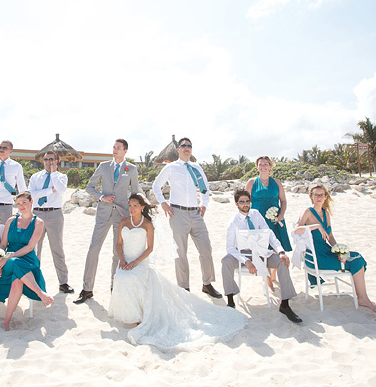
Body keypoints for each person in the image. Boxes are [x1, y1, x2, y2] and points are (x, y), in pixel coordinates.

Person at [108, 194, 248, 350]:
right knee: (121, 276)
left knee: (133, 277)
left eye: (135, 205)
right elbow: (119, 244)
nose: (132, 209)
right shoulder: (124, 222)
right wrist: (122, 260)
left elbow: (150, 248)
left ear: (142, 207)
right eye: (130, 206)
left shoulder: (147, 224)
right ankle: (129, 314)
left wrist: (135, 262)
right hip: (125, 260)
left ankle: (139, 317)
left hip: (140, 262)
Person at [151, 137, 222, 298]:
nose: (186, 148)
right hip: (178, 213)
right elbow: (156, 186)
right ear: (178, 150)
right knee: (181, 253)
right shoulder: (170, 167)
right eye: (183, 145)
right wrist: (163, 203)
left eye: (189, 146)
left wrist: (204, 205)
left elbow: (205, 188)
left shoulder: (196, 167)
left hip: (196, 214)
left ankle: (207, 284)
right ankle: (184, 287)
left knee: (206, 249)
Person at [296, 184, 376, 313]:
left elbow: (330, 236)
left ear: (325, 197)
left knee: (356, 256)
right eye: (316, 195)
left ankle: (362, 297)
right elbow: (296, 230)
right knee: (355, 261)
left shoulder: (325, 213)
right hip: (316, 256)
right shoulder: (307, 212)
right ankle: (363, 298)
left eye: (321, 195)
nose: (319, 197)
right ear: (311, 197)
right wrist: (316, 226)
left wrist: (338, 250)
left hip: (327, 251)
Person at [74, 139, 140, 305]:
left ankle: (114, 288)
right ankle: (87, 289)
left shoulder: (131, 169)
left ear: (125, 151)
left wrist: (135, 214)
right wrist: (101, 197)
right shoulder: (103, 166)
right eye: (114, 147)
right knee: (93, 249)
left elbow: (135, 193)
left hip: (122, 215)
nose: (115, 150)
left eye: (118, 148)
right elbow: (89, 187)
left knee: (117, 253)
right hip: (103, 214)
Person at [221, 189, 302, 323]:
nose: (245, 204)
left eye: (247, 201)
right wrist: (246, 261)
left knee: (282, 262)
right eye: (242, 202)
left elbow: (269, 233)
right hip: (243, 254)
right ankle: (230, 301)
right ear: (236, 204)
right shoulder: (233, 222)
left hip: (261, 252)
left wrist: (281, 251)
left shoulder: (256, 214)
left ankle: (285, 304)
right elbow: (230, 248)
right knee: (226, 261)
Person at [0, 192, 54, 330]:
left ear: (31, 202)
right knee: (15, 263)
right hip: (9, 261)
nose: (21, 206)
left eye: (24, 203)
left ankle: (6, 321)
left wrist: (10, 256)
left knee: (17, 280)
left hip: (27, 260)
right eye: (18, 203)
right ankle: (40, 292)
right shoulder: (11, 221)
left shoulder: (38, 222)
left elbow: (30, 247)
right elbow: (3, 244)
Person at [29, 151, 73, 294]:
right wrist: (50, 190)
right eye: (46, 159)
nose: (48, 162)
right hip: (37, 213)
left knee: (57, 249)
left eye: (51, 159)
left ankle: (63, 282)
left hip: (55, 214)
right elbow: (32, 195)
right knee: (35, 248)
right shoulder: (35, 177)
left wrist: (53, 174)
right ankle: (34, 281)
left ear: (56, 161)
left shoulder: (61, 177)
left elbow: (61, 190)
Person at [245, 156, 292, 252]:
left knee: (276, 249)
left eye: (265, 164)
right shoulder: (251, 182)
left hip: (274, 219)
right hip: (257, 219)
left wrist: (281, 215)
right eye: (260, 164)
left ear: (270, 166)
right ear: (257, 167)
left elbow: (283, 201)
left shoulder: (277, 182)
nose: (263, 167)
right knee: (258, 250)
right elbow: (245, 202)